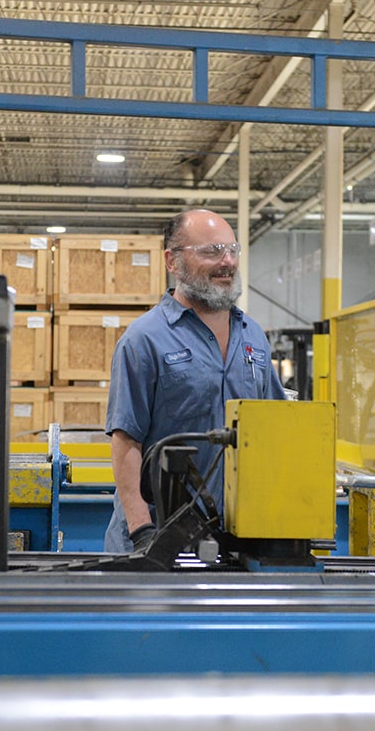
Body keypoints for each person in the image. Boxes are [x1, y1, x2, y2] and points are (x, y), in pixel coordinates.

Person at [103, 209, 286, 553]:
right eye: (211, 251)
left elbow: (274, 430)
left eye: (232, 250)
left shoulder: (254, 337)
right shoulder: (145, 339)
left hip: (234, 540)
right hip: (160, 541)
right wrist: (142, 532)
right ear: (172, 261)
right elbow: (126, 441)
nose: (227, 261)